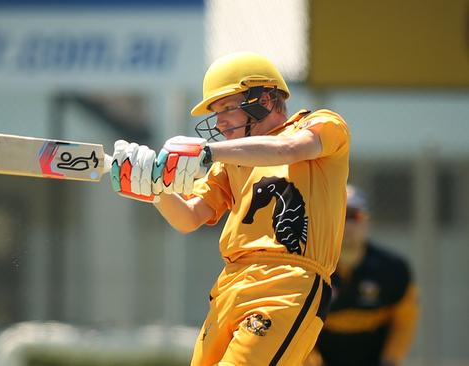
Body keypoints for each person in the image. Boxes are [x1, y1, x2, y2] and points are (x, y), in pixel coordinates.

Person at [110, 52, 350, 365]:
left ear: (263, 99)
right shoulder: (229, 161)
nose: (219, 121)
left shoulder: (322, 124)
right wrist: (154, 190)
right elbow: (189, 217)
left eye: (226, 107)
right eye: (216, 111)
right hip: (230, 285)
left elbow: (288, 149)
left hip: (288, 282)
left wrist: (207, 152)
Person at [307, 185, 419, 366]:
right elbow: (299, 322)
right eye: (340, 215)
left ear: (368, 221)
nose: (347, 225)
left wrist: (391, 359)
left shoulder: (393, 269)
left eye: (355, 216)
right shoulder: (310, 270)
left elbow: (405, 320)